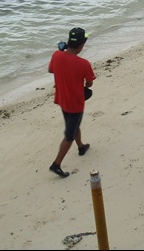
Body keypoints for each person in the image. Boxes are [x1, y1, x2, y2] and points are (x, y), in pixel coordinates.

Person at [47, 27, 96, 178]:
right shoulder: (83, 64)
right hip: (75, 102)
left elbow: (51, 70)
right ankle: (56, 164)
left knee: (72, 124)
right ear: (81, 46)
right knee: (69, 134)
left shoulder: (57, 55)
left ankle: (81, 147)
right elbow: (89, 84)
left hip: (62, 98)